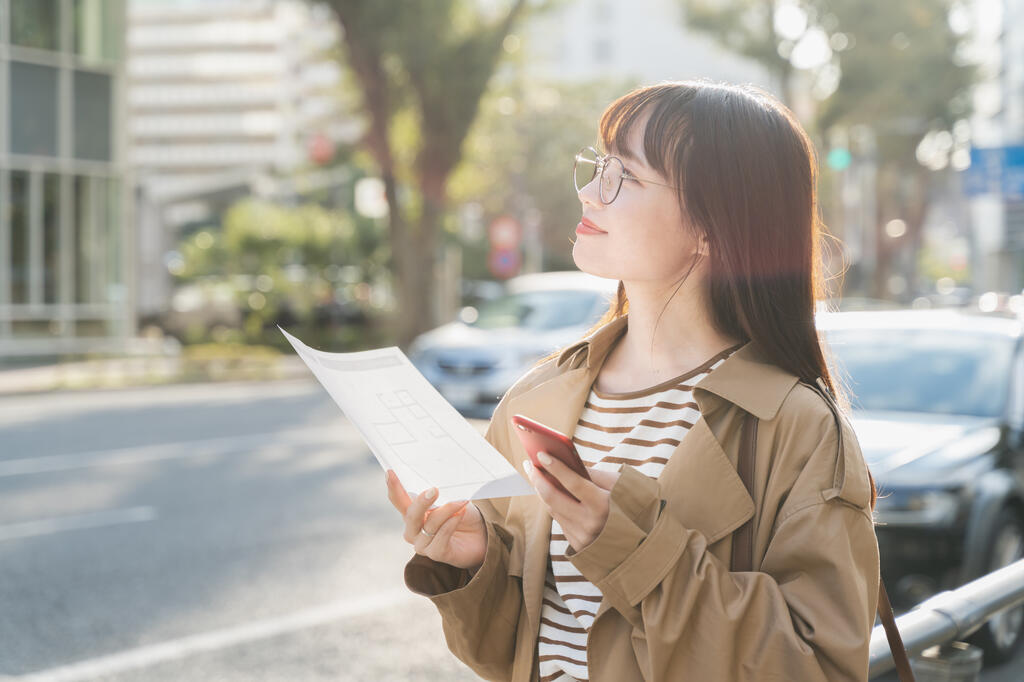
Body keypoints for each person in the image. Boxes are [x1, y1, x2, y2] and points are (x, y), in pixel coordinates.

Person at [385, 80, 879, 682]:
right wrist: (476, 563)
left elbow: (819, 668)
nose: (592, 193)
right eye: (598, 167)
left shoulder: (796, 428)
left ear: (711, 228)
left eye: (625, 177)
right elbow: (510, 656)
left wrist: (633, 545)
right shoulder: (539, 397)